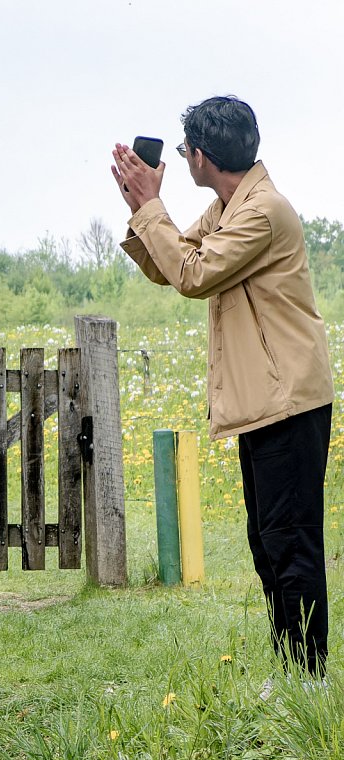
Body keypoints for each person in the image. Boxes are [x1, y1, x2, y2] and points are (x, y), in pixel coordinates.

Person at [112, 96, 335, 680]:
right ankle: (292, 669)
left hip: (289, 400)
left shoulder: (262, 212)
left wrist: (153, 207)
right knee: (266, 541)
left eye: (186, 150)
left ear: (202, 156)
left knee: (291, 544)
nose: (184, 159)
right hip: (264, 400)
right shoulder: (227, 208)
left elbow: (192, 275)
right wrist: (143, 211)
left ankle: (308, 678)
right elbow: (168, 264)